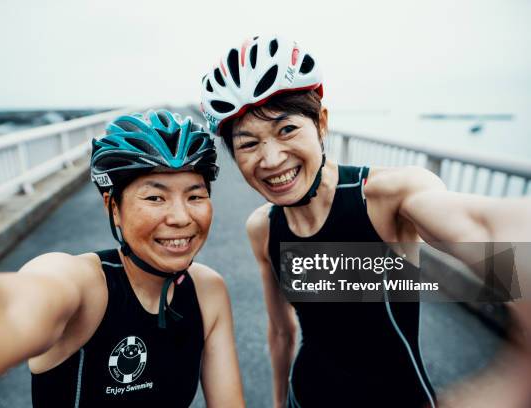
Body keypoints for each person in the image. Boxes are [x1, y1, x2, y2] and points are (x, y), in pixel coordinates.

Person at [200, 35, 531, 407]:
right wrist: (279, 402)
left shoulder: (388, 197)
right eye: (248, 144)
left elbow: (485, 231)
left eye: (286, 130)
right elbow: (281, 332)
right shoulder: (263, 227)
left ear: (321, 123)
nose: (272, 159)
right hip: (306, 396)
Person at [0, 110, 245, 407]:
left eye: (195, 195)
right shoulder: (85, 286)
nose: (180, 217)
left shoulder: (207, 290)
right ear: (112, 207)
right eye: (155, 197)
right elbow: (2, 306)